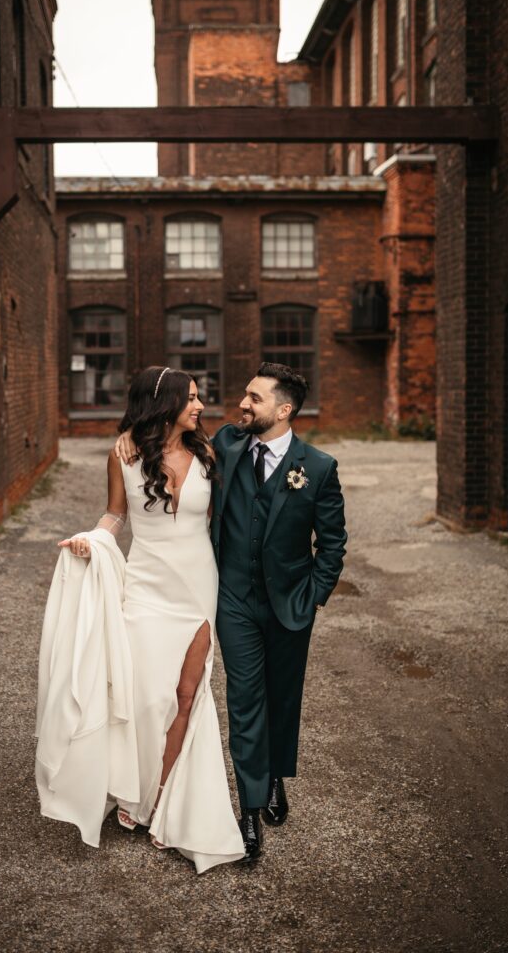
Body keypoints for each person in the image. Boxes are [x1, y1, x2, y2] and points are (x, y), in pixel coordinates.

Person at [117, 362, 347, 863]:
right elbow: (168, 441)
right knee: (245, 699)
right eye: (245, 396)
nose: (242, 404)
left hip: (290, 604)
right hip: (232, 600)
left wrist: (314, 596)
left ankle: (273, 780)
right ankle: (246, 811)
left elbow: (333, 546)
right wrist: (134, 437)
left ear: (283, 410)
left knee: (283, 698)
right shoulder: (226, 445)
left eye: (254, 398)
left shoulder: (319, 468)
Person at [53, 366, 244, 873]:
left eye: (201, 398)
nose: (200, 407)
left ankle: (161, 798)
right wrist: (90, 542)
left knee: (187, 693)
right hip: (146, 586)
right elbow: (115, 515)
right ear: (165, 404)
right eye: (193, 398)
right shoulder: (125, 456)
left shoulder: (209, 454)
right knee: (145, 696)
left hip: (198, 586)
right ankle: (132, 792)